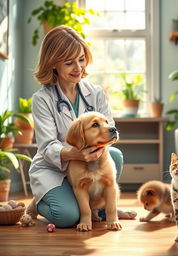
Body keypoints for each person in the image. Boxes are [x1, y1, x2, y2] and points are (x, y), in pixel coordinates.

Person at [27, 25, 137, 228]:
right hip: (54, 167)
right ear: (53, 65)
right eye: (69, 63)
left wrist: (95, 149)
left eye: (81, 59)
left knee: (115, 156)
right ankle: (38, 202)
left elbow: (109, 128)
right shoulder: (42, 99)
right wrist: (77, 155)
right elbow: (47, 146)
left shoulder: (95, 92)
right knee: (68, 218)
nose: (78, 68)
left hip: (88, 164)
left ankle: (102, 208)